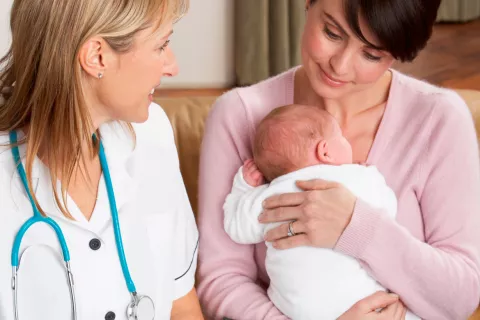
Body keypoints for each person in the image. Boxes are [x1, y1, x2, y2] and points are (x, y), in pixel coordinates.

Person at [197, 0, 480, 319]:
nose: (341, 66)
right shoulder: (240, 116)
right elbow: (222, 281)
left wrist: (357, 226)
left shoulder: (439, 119)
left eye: (372, 54)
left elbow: (461, 297)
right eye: (332, 33)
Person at [0, 0, 203, 319]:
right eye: (161, 45)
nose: (172, 66)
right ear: (97, 57)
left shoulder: (152, 134)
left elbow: (181, 304)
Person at [223, 104, 417, 320]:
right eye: (341, 138)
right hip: (359, 301)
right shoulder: (358, 178)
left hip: (295, 308)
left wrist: (243, 187)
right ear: (325, 151)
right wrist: (371, 174)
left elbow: (236, 227)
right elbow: (388, 207)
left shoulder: (268, 196)